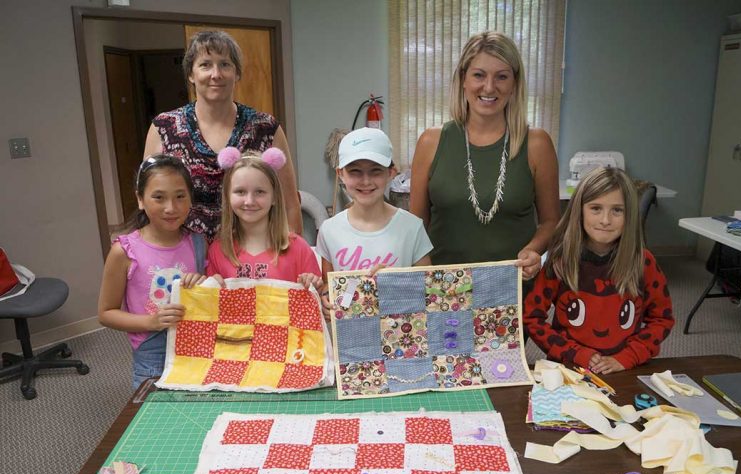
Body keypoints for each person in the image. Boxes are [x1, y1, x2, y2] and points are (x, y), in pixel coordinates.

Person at [409, 31, 559, 279]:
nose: (489, 87)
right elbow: (415, 228)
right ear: (463, 79)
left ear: (514, 84)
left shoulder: (536, 144)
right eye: (479, 75)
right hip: (444, 293)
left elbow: (551, 222)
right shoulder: (431, 142)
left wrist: (534, 250)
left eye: (502, 77)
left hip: (513, 289)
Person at [143, 30, 302, 241]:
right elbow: (150, 199)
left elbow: (289, 204)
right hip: (187, 255)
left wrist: (290, 255)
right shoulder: (165, 127)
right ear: (191, 74)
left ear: (237, 73)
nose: (215, 74)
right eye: (205, 65)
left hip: (252, 256)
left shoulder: (265, 127)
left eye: (225, 64)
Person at [523, 167, 674, 374]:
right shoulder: (560, 260)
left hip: (624, 368)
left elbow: (662, 319)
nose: (605, 220)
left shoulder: (643, 262)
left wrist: (629, 356)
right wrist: (574, 353)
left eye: (617, 210)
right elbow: (532, 317)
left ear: (630, 214)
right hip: (568, 369)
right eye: (595, 208)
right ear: (580, 210)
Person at [98, 155, 208, 389]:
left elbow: (209, 299)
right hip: (151, 359)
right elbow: (106, 313)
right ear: (141, 199)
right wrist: (151, 321)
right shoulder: (124, 251)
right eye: (159, 197)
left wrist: (203, 283)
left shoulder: (199, 244)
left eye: (180, 197)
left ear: (190, 199)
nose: (171, 207)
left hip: (197, 350)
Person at [316, 127, 433, 275]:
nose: (366, 181)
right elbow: (329, 289)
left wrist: (397, 282)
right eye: (355, 171)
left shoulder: (412, 228)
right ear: (340, 174)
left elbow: (428, 289)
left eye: (375, 170)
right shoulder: (329, 231)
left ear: (391, 173)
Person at [207, 148, 322, 291]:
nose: (249, 201)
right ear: (228, 196)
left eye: (259, 192)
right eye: (240, 192)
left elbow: (316, 301)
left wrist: (313, 284)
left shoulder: (299, 249)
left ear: (274, 197)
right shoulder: (218, 250)